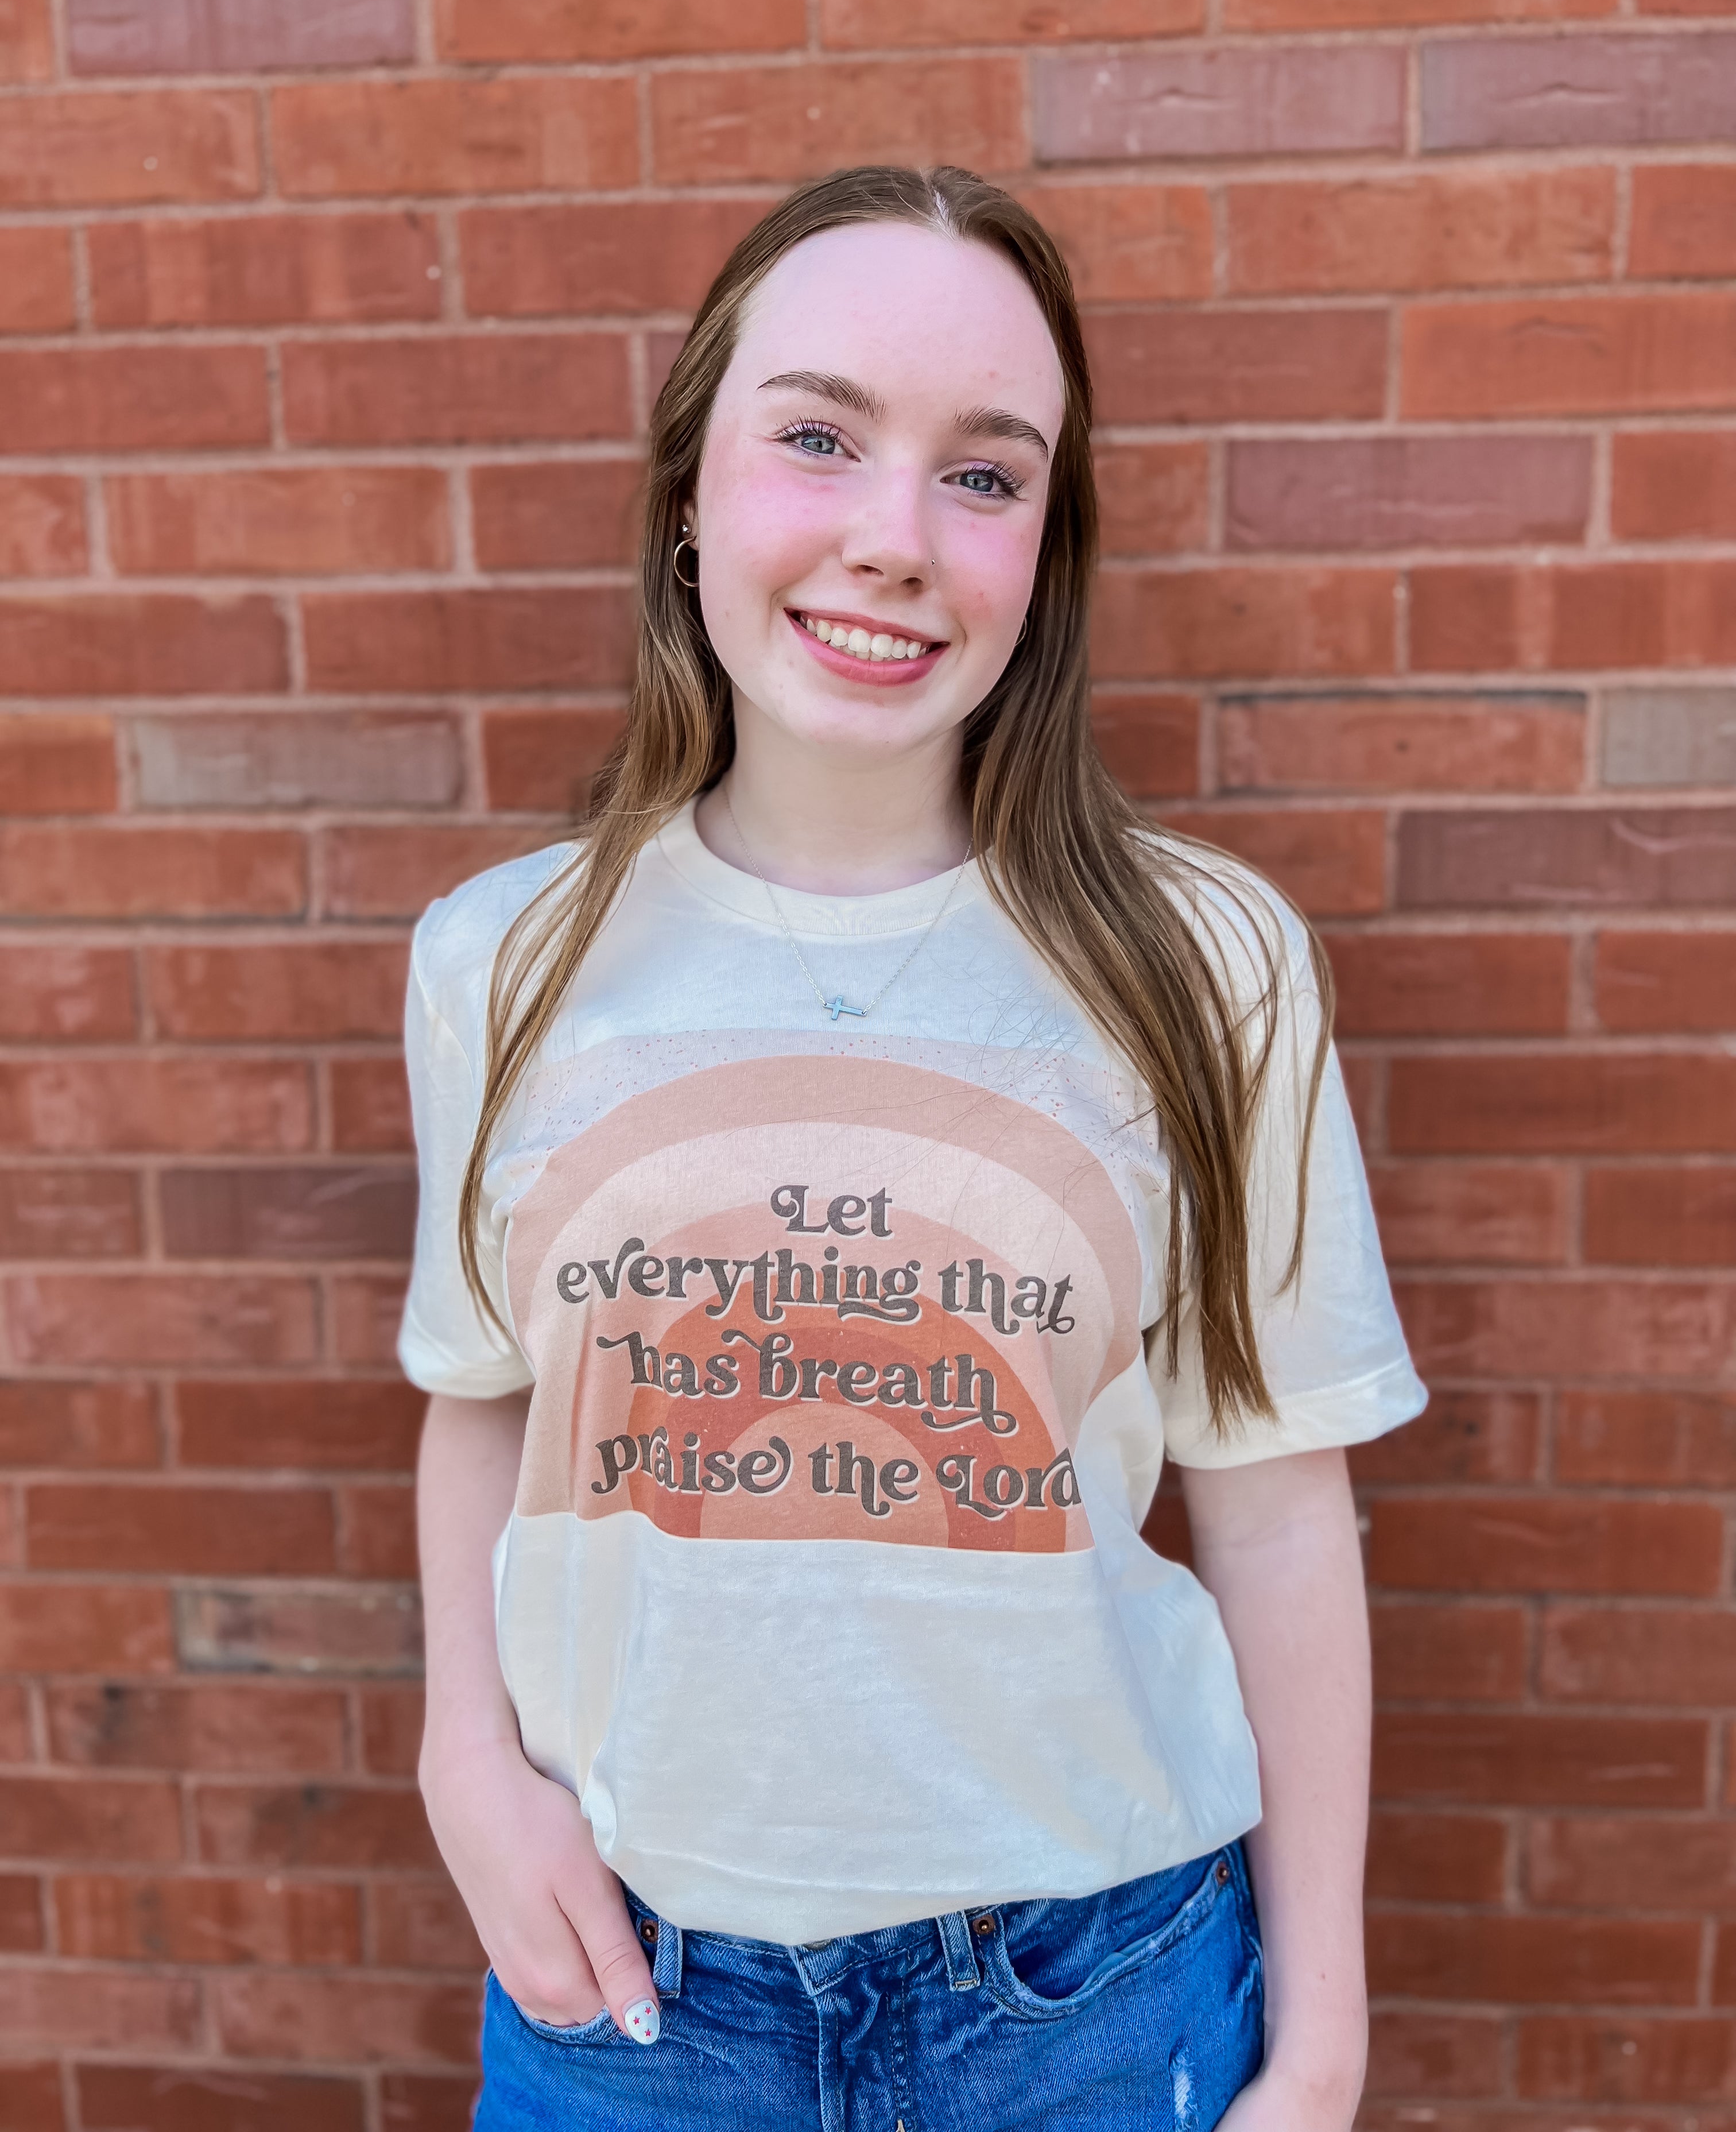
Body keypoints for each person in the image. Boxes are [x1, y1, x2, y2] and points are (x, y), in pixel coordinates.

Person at [401, 163, 1427, 2132]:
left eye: (984, 473)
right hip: (635, 2006)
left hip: (1092, 2001)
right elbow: (484, 1396)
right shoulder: (503, 958)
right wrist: (466, 1759)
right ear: (689, 486)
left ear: (1045, 544)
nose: (895, 538)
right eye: (818, 438)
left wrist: (1322, 2048)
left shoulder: (1207, 962)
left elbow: (1278, 1503)